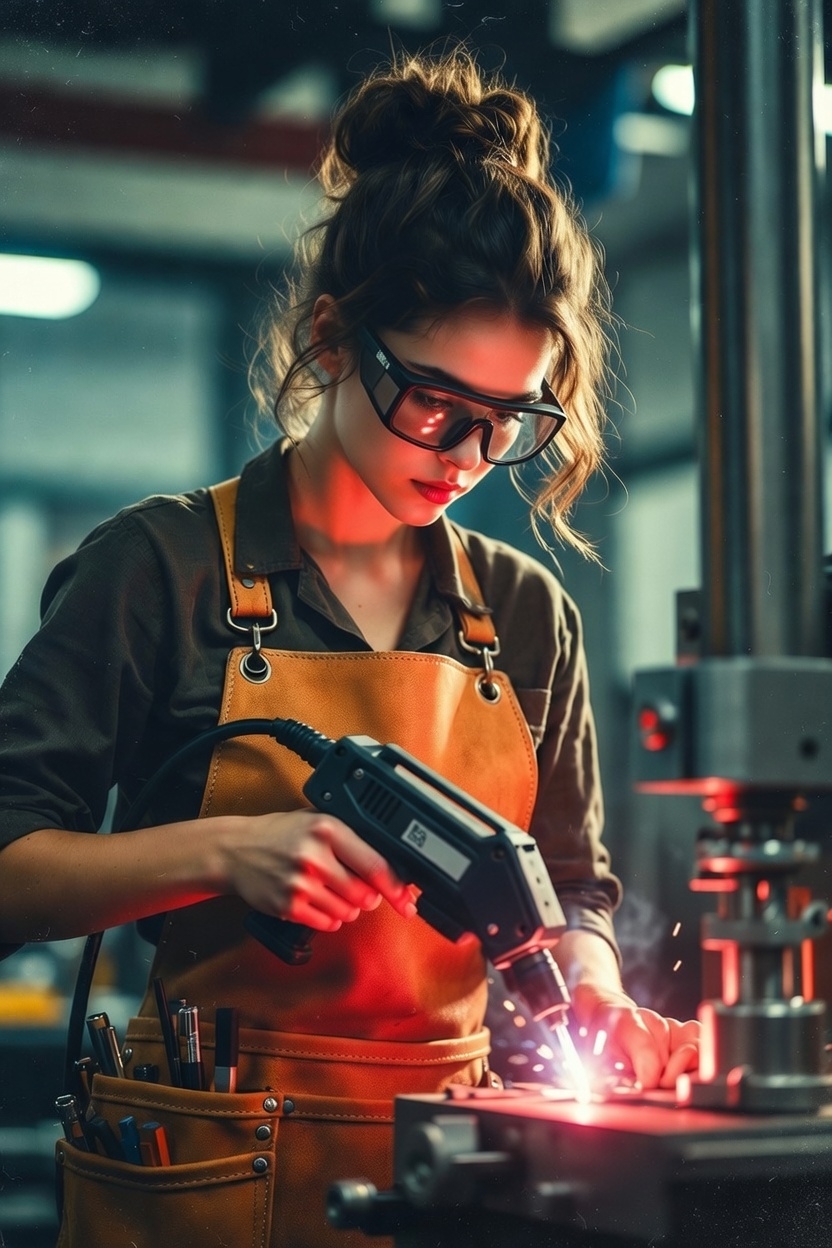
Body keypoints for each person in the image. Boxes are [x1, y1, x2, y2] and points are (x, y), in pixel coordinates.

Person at [0, 46, 699, 1248]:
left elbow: (572, 889)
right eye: (436, 405)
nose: (469, 456)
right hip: (208, 1167)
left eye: (511, 421)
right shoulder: (159, 570)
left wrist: (591, 982)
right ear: (335, 341)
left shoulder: (526, 616)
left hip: (457, 1170)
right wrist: (225, 852)